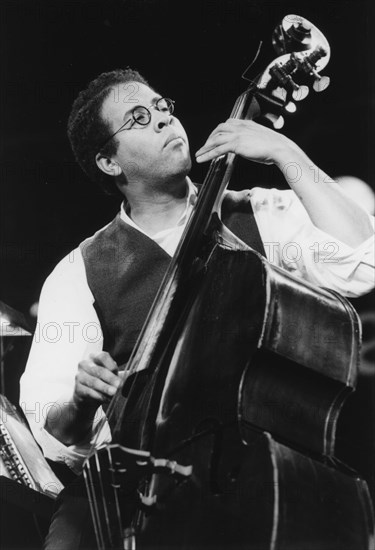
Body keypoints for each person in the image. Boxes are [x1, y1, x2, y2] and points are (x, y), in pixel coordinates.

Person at [19, 68, 374, 548]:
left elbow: (363, 259)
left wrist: (287, 154)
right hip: (137, 493)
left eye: (164, 107)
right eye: (140, 118)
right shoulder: (77, 272)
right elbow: (53, 431)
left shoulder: (260, 214)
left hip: (261, 472)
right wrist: (82, 399)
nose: (165, 120)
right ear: (108, 161)